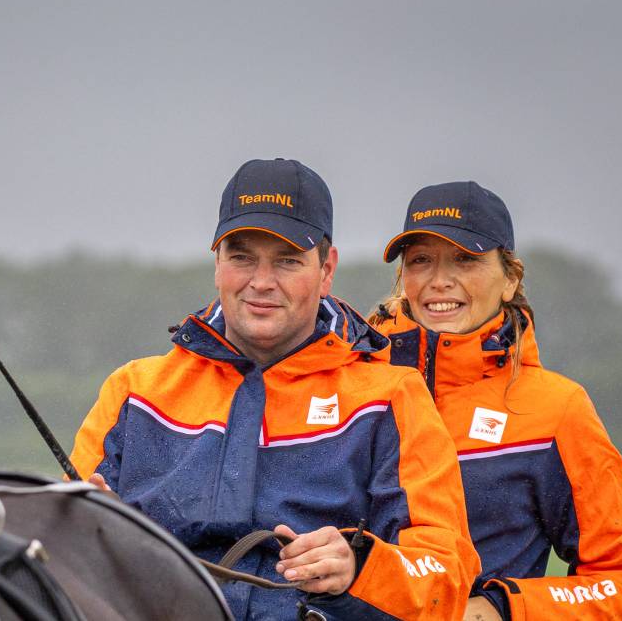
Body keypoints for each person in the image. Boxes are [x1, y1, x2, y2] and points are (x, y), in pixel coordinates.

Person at [70, 159, 481, 620]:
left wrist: (359, 567)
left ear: (326, 269)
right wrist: (80, 533)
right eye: (242, 257)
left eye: (287, 260)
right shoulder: (133, 390)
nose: (261, 283)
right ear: (217, 263)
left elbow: (446, 573)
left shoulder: (391, 397)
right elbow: (52, 557)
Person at [370, 181, 622, 620]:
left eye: (465, 259)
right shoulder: (354, 389)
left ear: (511, 279)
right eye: (421, 260)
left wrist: (499, 610)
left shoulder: (556, 410)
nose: (439, 280)